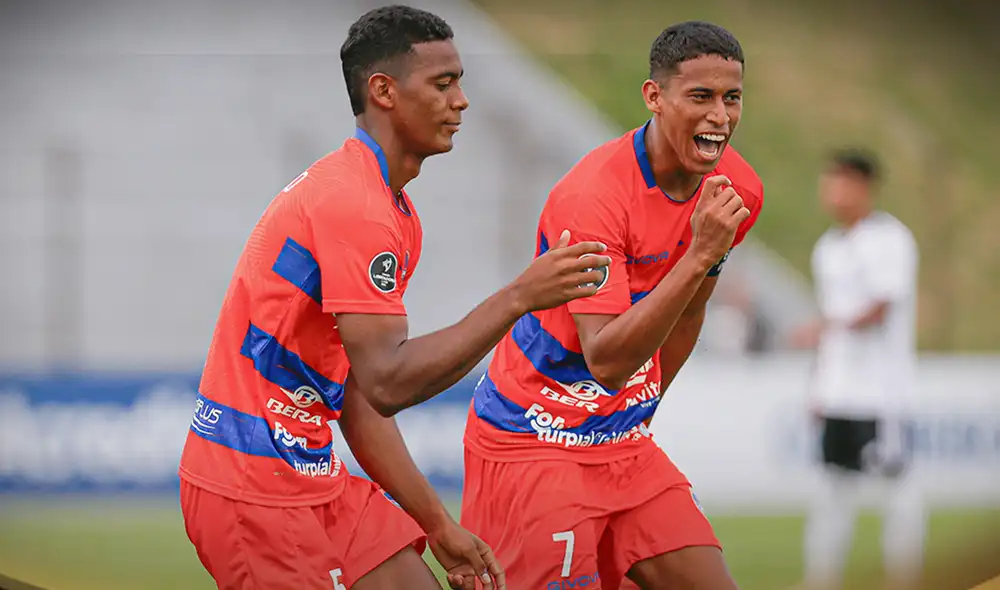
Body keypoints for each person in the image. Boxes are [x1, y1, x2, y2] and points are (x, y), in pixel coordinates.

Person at [176, 5, 611, 590]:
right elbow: (388, 381)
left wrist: (437, 524)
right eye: (442, 83)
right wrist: (518, 297)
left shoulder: (391, 209)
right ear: (383, 91)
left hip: (309, 471)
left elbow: (359, 396)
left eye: (460, 82)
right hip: (251, 487)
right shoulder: (355, 204)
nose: (461, 101)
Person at [460, 20, 763, 590]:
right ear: (654, 96)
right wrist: (698, 254)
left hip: (622, 442)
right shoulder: (593, 197)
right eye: (701, 96)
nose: (720, 116)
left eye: (732, 98)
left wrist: (643, 411)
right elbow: (606, 360)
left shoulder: (737, 191)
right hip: (534, 438)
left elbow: (689, 313)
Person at [791, 150, 923, 590]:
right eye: (828, 180)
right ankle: (821, 579)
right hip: (838, 393)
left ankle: (906, 578)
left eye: (840, 180)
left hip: (881, 394)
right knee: (831, 491)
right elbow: (832, 325)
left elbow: (881, 308)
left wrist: (827, 326)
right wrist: (818, 385)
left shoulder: (889, 239)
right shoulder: (828, 247)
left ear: (864, 186)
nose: (830, 190)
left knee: (897, 489)